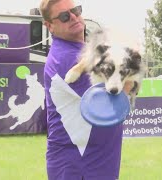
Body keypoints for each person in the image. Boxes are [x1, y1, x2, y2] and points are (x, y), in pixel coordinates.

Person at [40, 0, 133, 179]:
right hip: (81, 165)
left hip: (94, 161)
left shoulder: (84, 51)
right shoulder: (67, 57)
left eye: (76, 10)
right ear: (49, 25)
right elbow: (117, 97)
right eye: (65, 16)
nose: (74, 17)